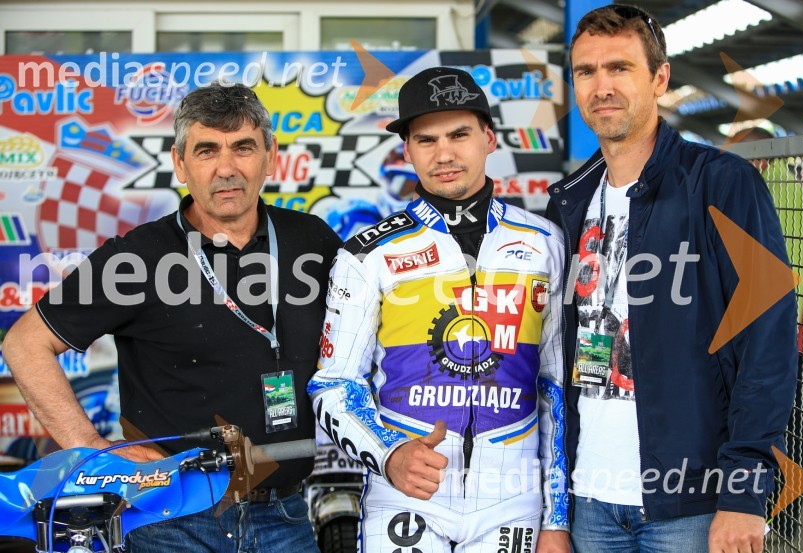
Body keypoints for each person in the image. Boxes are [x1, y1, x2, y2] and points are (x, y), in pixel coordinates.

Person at [3, 82, 341, 552]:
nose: (227, 168)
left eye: (243, 147)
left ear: (270, 155)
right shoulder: (136, 259)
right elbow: (24, 343)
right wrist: (96, 453)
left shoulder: (312, 240)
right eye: (207, 151)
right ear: (180, 164)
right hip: (171, 521)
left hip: (284, 514)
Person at [546, 5, 797, 553]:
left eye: (620, 68)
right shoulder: (567, 204)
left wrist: (744, 491)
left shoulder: (723, 185)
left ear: (659, 78)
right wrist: (556, 506)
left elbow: (767, 343)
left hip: (693, 503)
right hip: (590, 500)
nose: (601, 86)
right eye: (586, 72)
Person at [308, 66, 570, 552]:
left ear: (489, 138)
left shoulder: (544, 243)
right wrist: (389, 455)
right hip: (405, 497)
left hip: (513, 502)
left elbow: (555, 386)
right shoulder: (368, 254)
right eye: (426, 140)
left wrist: (556, 518)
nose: (444, 153)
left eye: (459, 134)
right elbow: (334, 385)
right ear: (406, 150)